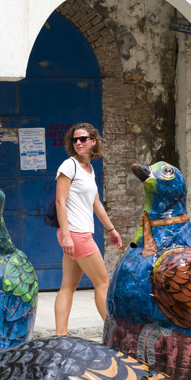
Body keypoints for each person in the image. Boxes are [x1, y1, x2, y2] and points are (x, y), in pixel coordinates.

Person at [54, 122, 122, 335]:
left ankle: (61, 335)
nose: (78, 143)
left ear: (94, 141)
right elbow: (59, 202)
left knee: (67, 286)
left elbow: (96, 204)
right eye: (75, 139)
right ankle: (114, 334)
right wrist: (66, 235)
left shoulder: (89, 169)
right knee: (102, 282)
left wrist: (111, 229)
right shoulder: (69, 166)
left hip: (78, 235)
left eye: (83, 139)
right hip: (76, 235)